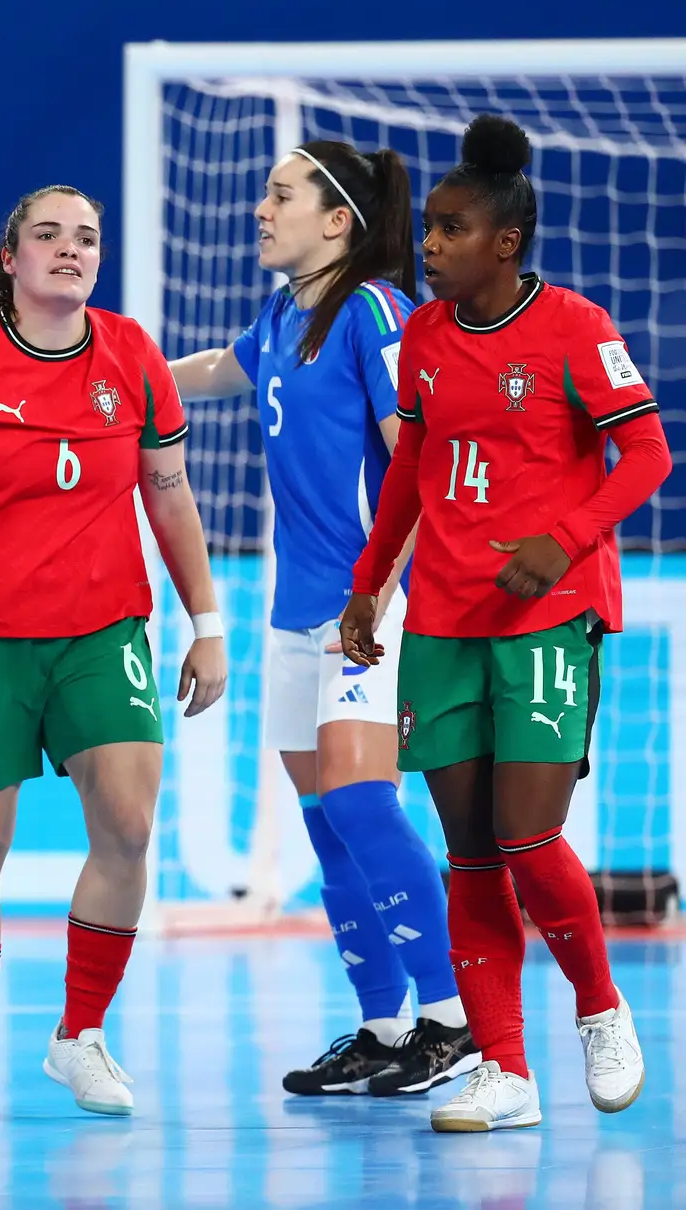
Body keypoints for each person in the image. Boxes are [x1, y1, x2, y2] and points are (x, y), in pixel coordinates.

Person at [342, 116, 671, 1133]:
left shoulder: (576, 325)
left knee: (530, 837)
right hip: (442, 621)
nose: (428, 244)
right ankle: (505, 1069)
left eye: (448, 229)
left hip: (546, 617)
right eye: (427, 228)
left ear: (506, 242)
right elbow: (410, 467)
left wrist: (565, 539)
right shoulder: (428, 340)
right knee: (471, 854)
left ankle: (601, 1007)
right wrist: (370, 585)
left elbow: (650, 454)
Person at [0, 185, 227, 1119]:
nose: (70, 251)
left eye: (86, 239)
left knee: (127, 825)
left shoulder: (134, 356)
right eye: (49, 236)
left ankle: (79, 1036)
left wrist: (206, 622)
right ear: (12, 258)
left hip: (100, 630)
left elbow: (170, 499)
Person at [167, 141, 475, 1097]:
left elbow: (417, 466)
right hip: (297, 609)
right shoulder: (280, 314)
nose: (261, 209)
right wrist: (113, 372)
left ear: (337, 219)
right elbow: (220, 368)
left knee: (358, 800)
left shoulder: (375, 313)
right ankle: (384, 1027)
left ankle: (451, 1020)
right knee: (323, 825)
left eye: (280, 194)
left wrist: (375, 599)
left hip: (369, 606)